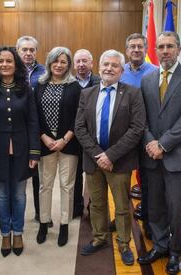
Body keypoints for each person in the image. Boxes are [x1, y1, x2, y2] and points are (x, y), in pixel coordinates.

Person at [137, 31, 181, 275]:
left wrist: (162, 145)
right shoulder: (147, 80)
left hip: (176, 156)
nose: (165, 51)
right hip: (151, 155)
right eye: (161, 46)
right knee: (154, 205)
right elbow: (141, 118)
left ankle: (176, 252)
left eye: (170, 46)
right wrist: (151, 143)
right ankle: (161, 245)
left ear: (179, 49)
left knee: (176, 207)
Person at [75, 49, 145, 266]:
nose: (109, 68)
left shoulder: (133, 93)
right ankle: (99, 238)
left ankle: (124, 243)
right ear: (99, 67)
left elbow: (137, 128)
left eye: (114, 65)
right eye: (106, 64)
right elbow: (79, 128)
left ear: (121, 71)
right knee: (96, 203)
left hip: (120, 161)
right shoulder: (87, 94)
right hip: (94, 160)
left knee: (123, 206)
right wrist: (99, 155)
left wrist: (111, 155)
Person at [0, 47, 40, 257]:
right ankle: (5, 233)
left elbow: (33, 123)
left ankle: (18, 232)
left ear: (16, 65)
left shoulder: (26, 89)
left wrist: (34, 153)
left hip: (22, 151)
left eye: (9, 61)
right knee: (2, 196)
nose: (5, 64)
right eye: (1, 61)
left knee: (19, 195)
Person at [35, 47, 81, 247]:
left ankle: (64, 224)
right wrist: (44, 137)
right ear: (49, 63)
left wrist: (65, 139)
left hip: (68, 144)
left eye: (63, 61)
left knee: (66, 186)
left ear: (68, 65)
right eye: (56, 61)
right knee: (45, 186)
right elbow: (33, 115)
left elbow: (79, 117)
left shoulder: (75, 87)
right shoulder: (39, 85)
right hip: (45, 144)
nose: (59, 65)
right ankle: (44, 223)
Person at [116, 33, 158, 236]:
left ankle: (149, 224)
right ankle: (120, 218)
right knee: (120, 180)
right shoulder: (119, 71)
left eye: (140, 46)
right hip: (123, 135)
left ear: (146, 49)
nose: (136, 50)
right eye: (132, 46)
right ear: (126, 50)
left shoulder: (155, 72)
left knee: (146, 181)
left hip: (146, 134)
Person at [15, 35, 46, 224]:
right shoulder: (9, 70)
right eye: (24, 49)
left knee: (39, 177)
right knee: (18, 177)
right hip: (16, 129)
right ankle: (16, 217)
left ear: (36, 52)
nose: (28, 53)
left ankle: (41, 214)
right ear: (18, 51)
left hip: (37, 129)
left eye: (31, 50)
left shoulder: (44, 72)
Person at [72, 49, 101, 218]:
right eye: (78, 61)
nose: (81, 64)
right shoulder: (69, 83)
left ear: (91, 63)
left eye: (85, 61)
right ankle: (76, 207)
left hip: (95, 137)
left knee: (93, 175)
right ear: (74, 65)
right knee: (75, 175)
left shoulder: (101, 81)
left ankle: (92, 208)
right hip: (74, 137)